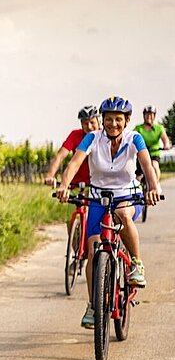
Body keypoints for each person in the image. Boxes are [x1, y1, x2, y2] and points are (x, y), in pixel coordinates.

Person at [55, 96, 160, 328]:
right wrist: (64, 186)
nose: (113, 124)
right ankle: (93, 305)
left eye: (118, 119)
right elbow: (74, 163)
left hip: (126, 194)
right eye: (109, 119)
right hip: (98, 197)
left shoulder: (135, 138)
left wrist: (152, 187)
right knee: (93, 249)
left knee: (122, 215)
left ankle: (136, 264)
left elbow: (146, 162)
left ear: (127, 120)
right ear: (102, 121)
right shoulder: (93, 138)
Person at [43, 105, 101, 187]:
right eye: (85, 123)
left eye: (92, 122)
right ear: (81, 124)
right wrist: (50, 175)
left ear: (99, 122)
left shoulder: (105, 136)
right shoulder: (75, 135)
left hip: (98, 186)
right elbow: (60, 156)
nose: (89, 127)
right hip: (77, 185)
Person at [134, 105, 171, 191]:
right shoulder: (139, 128)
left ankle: (155, 184)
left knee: (154, 165)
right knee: (137, 175)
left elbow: (165, 138)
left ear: (154, 116)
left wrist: (166, 144)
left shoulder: (159, 128)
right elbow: (132, 137)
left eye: (151, 115)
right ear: (144, 116)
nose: (149, 117)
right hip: (141, 154)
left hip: (154, 153)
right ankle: (137, 190)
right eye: (147, 115)